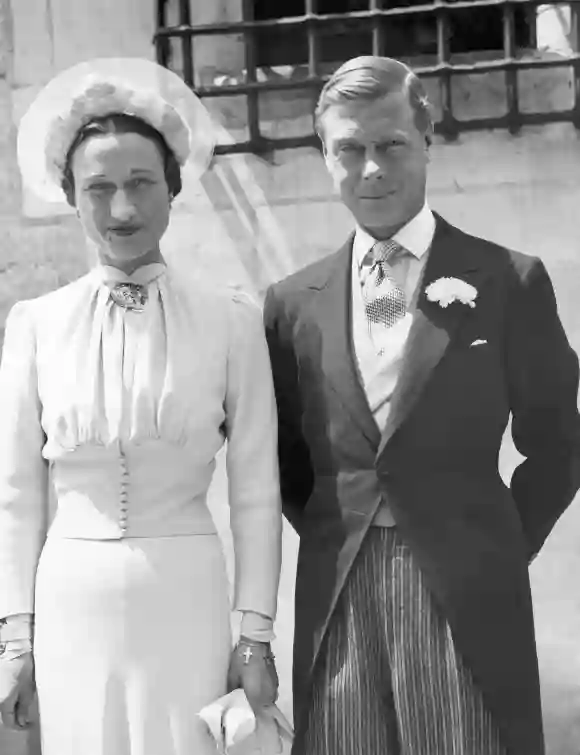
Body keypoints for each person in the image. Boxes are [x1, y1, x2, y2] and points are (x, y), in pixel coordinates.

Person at [263, 55, 580, 755]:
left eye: (390, 145)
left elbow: (558, 442)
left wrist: (494, 545)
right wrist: (336, 525)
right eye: (349, 149)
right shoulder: (291, 304)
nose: (371, 168)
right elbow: (283, 455)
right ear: (325, 155)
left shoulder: (507, 279)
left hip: (464, 586)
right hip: (339, 586)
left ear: (426, 141)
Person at [0, 58, 282, 755]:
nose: (121, 209)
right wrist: (15, 634)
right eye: (99, 189)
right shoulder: (35, 322)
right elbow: (15, 494)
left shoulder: (231, 320)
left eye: (139, 184)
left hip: (186, 591)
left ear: (172, 187)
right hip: (71, 594)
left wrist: (254, 631)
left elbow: (255, 488)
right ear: (71, 194)